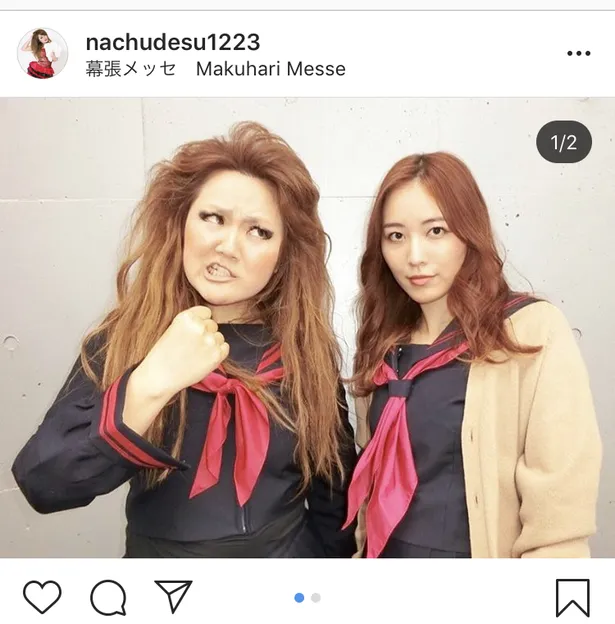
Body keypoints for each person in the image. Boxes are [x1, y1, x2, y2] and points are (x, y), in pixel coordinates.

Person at [12, 121, 358, 558]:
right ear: (180, 223)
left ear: (284, 253)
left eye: (259, 231)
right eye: (213, 218)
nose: (228, 246)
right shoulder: (127, 338)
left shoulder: (305, 351)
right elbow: (44, 483)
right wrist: (150, 382)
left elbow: (334, 491)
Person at [343, 151, 602, 558]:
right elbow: (369, 486)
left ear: (469, 232)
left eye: (436, 231)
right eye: (396, 236)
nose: (414, 256)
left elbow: (559, 506)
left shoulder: (529, 330)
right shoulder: (382, 344)